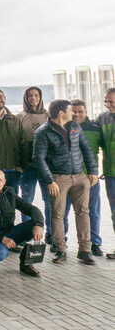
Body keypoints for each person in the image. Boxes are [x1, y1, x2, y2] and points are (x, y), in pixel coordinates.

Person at [33, 99, 98, 265]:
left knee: (83, 212)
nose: (74, 113)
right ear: (61, 113)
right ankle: (61, 250)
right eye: (71, 111)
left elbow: (87, 150)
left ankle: (85, 250)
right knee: (57, 214)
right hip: (58, 178)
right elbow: (38, 158)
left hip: (79, 176)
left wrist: (92, 171)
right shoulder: (43, 132)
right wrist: (49, 181)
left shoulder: (76, 127)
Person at [0, 169, 44, 276]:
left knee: (33, 226)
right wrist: (1, 238)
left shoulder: (9, 193)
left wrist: (39, 224)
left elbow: (32, 209)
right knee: (1, 254)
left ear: (4, 182)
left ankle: (26, 264)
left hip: (10, 232)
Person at [65, 99, 103, 256]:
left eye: (80, 111)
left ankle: (94, 242)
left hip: (90, 178)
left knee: (92, 212)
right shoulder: (62, 128)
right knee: (63, 212)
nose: (77, 114)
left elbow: (105, 149)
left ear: (86, 113)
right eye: (73, 111)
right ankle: (60, 243)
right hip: (67, 177)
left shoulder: (95, 129)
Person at [16, 87, 51, 237]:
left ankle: (50, 233)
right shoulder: (19, 117)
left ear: (40, 97)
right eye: (30, 95)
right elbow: (17, 142)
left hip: (45, 165)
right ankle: (27, 233)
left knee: (49, 200)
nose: (33, 98)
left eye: (36, 95)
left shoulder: (48, 115)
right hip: (28, 166)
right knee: (27, 200)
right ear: (26, 98)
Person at [94, 88, 115, 257]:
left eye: (111, 102)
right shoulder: (102, 118)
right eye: (106, 102)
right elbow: (94, 139)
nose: (108, 105)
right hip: (111, 173)